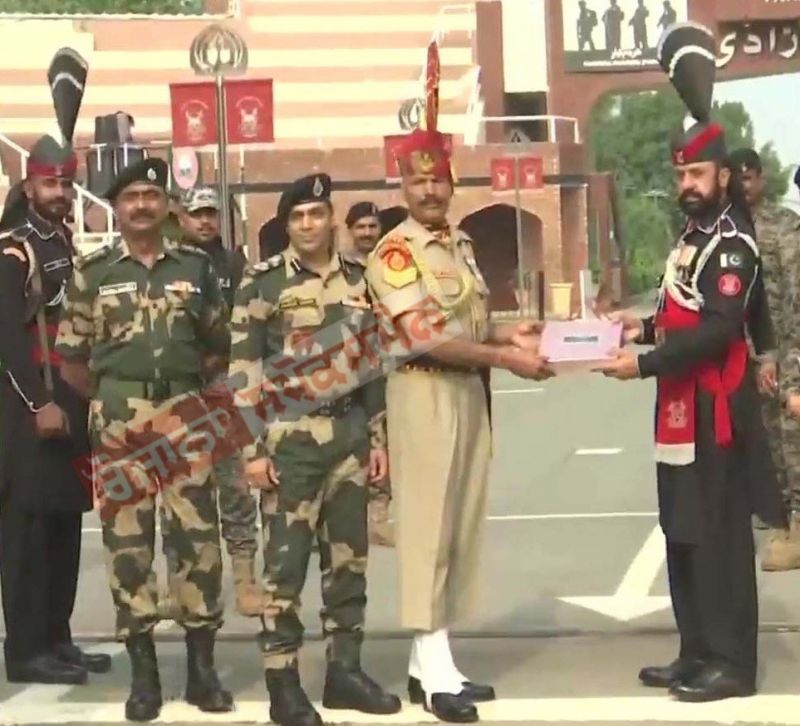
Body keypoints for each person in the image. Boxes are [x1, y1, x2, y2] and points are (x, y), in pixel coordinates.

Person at [364, 41, 553, 724]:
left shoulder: (460, 244)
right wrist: (504, 359)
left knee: (457, 530)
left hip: (467, 394)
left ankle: (433, 664)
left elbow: (468, 319)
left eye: (438, 181)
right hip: (423, 394)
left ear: (450, 182)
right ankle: (433, 670)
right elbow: (424, 335)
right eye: (417, 183)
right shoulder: (395, 252)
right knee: (426, 532)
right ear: (402, 187)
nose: (429, 191)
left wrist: (509, 334)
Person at [596, 22, 786, 703]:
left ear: (723, 176)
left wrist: (643, 363)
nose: (687, 183)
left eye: (698, 173)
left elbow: (719, 328)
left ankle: (732, 663)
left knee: (721, 536)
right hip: (680, 405)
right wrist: (639, 326)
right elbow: (682, 313)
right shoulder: (691, 237)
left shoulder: (732, 242)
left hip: (716, 406)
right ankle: (695, 649)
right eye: (680, 174)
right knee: (682, 531)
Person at [55, 158, 234, 722]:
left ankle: (202, 672)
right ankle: (145, 677)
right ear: (117, 207)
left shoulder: (197, 268)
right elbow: (72, 360)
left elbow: (217, 346)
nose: (141, 205)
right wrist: (118, 398)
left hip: (186, 417)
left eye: (151, 196)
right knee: (128, 545)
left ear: (165, 206)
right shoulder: (93, 272)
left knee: (198, 542)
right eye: (131, 197)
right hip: (119, 426)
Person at [229, 173, 402, 726]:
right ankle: (283, 683)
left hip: (349, 437)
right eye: (298, 216)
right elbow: (244, 373)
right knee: (284, 570)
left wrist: (377, 439)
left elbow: (373, 364)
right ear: (287, 225)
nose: (307, 224)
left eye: (317, 214)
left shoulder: (360, 278)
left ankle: (344, 672)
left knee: (348, 565)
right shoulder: (262, 284)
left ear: (332, 219)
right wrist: (253, 453)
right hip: (290, 442)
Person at [0, 137, 113, 686]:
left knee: (65, 524)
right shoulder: (14, 250)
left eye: (67, 183)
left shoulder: (63, 241)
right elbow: (6, 336)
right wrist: (39, 402)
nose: (61, 192)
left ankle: (57, 638)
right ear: (29, 187)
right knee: (28, 532)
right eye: (50, 183)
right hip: (29, 408)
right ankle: (25, 650)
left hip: (70, 402)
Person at [155, 186, 262, 617]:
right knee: (176, 487)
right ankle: (178, 581)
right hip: (179, 386)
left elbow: (248, 322)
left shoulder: (233, 264)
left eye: (211, 214)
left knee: (234, 485)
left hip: (223, 383)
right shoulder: (168, 262)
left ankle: (245, 578)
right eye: (197, 214)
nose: (204, 221)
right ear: (182, 217)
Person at [727, 148, 800, 570]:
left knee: (790, 436)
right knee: (765, 438)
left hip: (783, 349)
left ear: (761, 178)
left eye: (748, 177)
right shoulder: (726, 229)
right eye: (736, 178)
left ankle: (795, 524)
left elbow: (793, 296)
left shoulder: (783, 226)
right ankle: (778, 513)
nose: (744, 186)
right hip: (743, 353)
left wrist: (783, 357)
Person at [346, 200, 395, 547]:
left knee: (386, 441)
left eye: (372, 226)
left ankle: (379, 517)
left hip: (389, 365)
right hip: (351, 370)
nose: (367, 232)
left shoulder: (392, 266)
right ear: (350, 231)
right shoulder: (342, 272)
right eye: (360, 227)